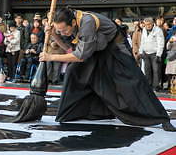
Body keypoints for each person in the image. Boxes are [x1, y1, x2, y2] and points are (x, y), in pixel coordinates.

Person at [39, 8, 176, 131]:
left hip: (115, 49)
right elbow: (69, 50)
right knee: (74, 72)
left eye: (63, 30)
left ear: (73, 23)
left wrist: (50, 57)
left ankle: (161, 118)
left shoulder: (87, 23)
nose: (62, 33)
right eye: (59, 30)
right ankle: (82, 112)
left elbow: (80, 56)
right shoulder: (70, 22)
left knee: (132, 82)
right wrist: (54, 35)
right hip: (96, 51)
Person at [139, 17, 165, 91]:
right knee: (147, 70)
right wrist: (141, 52)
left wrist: (159, 55)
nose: (148, 26)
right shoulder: (144, 30)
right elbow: (142, 41)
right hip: (146, 53)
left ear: (152, 23)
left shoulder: (158, 30)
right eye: (146, 24)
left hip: (154, 53)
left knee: (156, 70)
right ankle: (149, 85)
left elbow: (161, 43)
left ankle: (156, 86)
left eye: (149, 24)